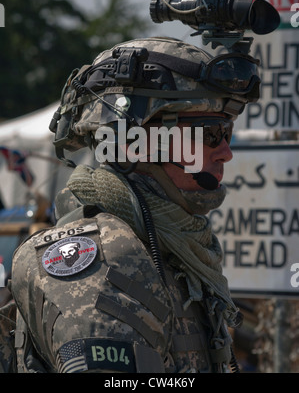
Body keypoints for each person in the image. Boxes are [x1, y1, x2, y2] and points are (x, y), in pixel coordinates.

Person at [3, 35, 261, 373]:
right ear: (136, 142)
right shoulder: (101, 260)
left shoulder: (172, 248)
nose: (226, 151)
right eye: (210, 133)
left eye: (227, 131)